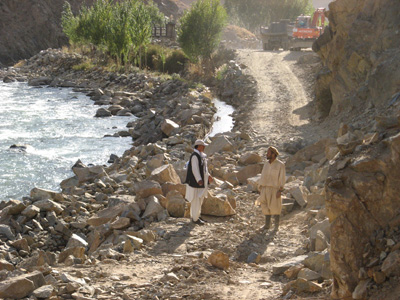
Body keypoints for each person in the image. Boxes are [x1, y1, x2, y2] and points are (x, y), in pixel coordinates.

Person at [256, 146, 286, 231]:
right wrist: (260, 187)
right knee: (265, 207)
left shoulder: (280, 165)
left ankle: (276, 226)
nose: (267, 154)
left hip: (275, 189)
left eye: (268, 153)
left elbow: (282, 178)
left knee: (276, 207)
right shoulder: (266, 164)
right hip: (264, 188)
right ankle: (267, 225)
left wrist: (280, 190)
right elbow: (263, 176)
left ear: (273, 154)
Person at [185, 139, 213, 225]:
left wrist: (208, 176)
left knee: (199, 199)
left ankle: (197, 216)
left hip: (201, 183)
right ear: (199, 146)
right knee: (196, 200)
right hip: (196, 183)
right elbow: (195, 169)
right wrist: (199, 180)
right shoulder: (194, 156)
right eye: (203, 146)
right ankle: (195, 218)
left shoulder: (201, 156)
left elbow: (204, 169)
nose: (204, 147)